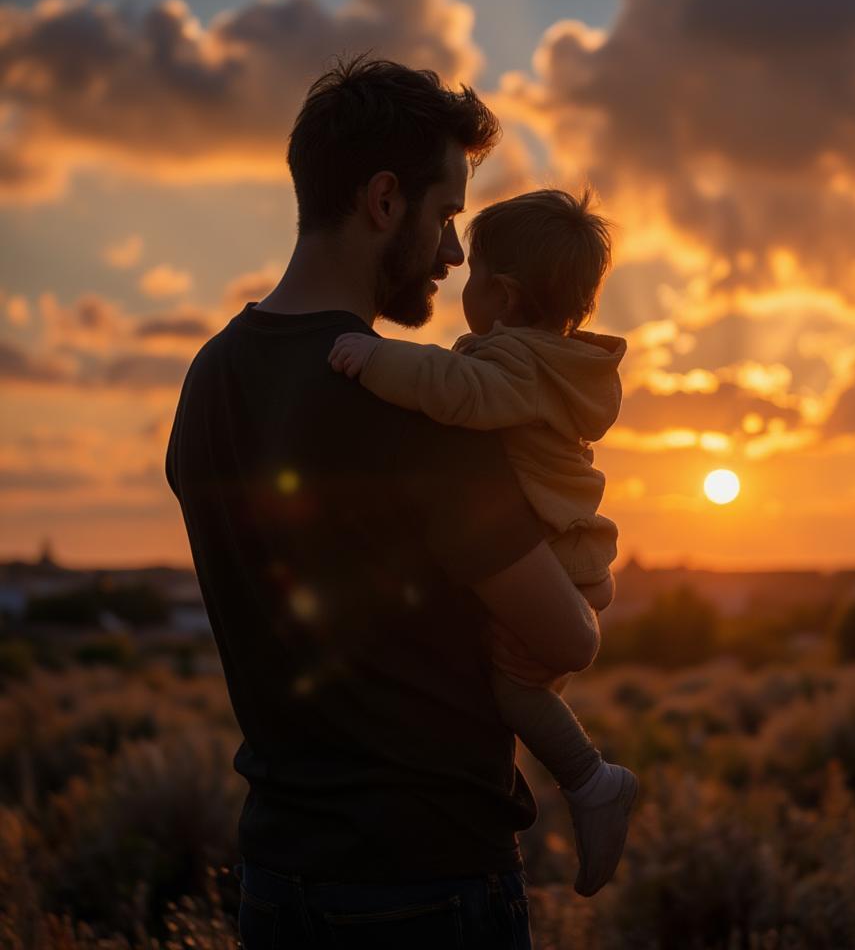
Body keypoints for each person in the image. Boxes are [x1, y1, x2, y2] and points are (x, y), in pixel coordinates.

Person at [165, 55, 601, 949]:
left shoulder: (208, 379)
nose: (449, 252)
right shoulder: (415, 406)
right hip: (425, 885)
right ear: (383, 201)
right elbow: (565, 638)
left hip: (276, 880)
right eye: (445, 215)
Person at [328, 188, 639, 897]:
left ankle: (593, 783)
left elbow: (454, 389)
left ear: (500, 294)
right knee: (512, 692)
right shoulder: (558, 365)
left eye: (474, 274)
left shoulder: (516, 366)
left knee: (511, 688)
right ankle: (580, 785)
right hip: (577, 558)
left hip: (555, 563)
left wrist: (373, 358)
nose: (457, 272)